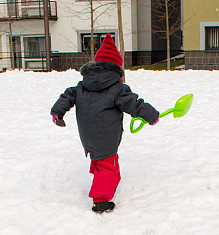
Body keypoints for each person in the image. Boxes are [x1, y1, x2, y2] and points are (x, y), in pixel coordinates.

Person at [51, 33, 160, 213]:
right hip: (106, 135)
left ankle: (103, 175)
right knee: (107, 164)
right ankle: (100, 201)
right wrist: (151, 115)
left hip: (87, 134)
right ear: (116, 70)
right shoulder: (117, 89)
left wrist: (57, 112)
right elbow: (134, 104)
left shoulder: (81, 85)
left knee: (104, 159)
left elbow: (67, 95)